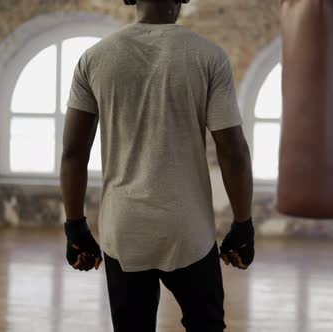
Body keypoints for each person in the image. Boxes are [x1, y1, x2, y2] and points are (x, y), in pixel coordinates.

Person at [60, 0, 254, 331]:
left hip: (124, 229)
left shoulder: (94, 58)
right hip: (187, 229)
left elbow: (74, 152)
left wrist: (75, 226)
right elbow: (233, 151)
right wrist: (242, 225)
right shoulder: (208, 56)